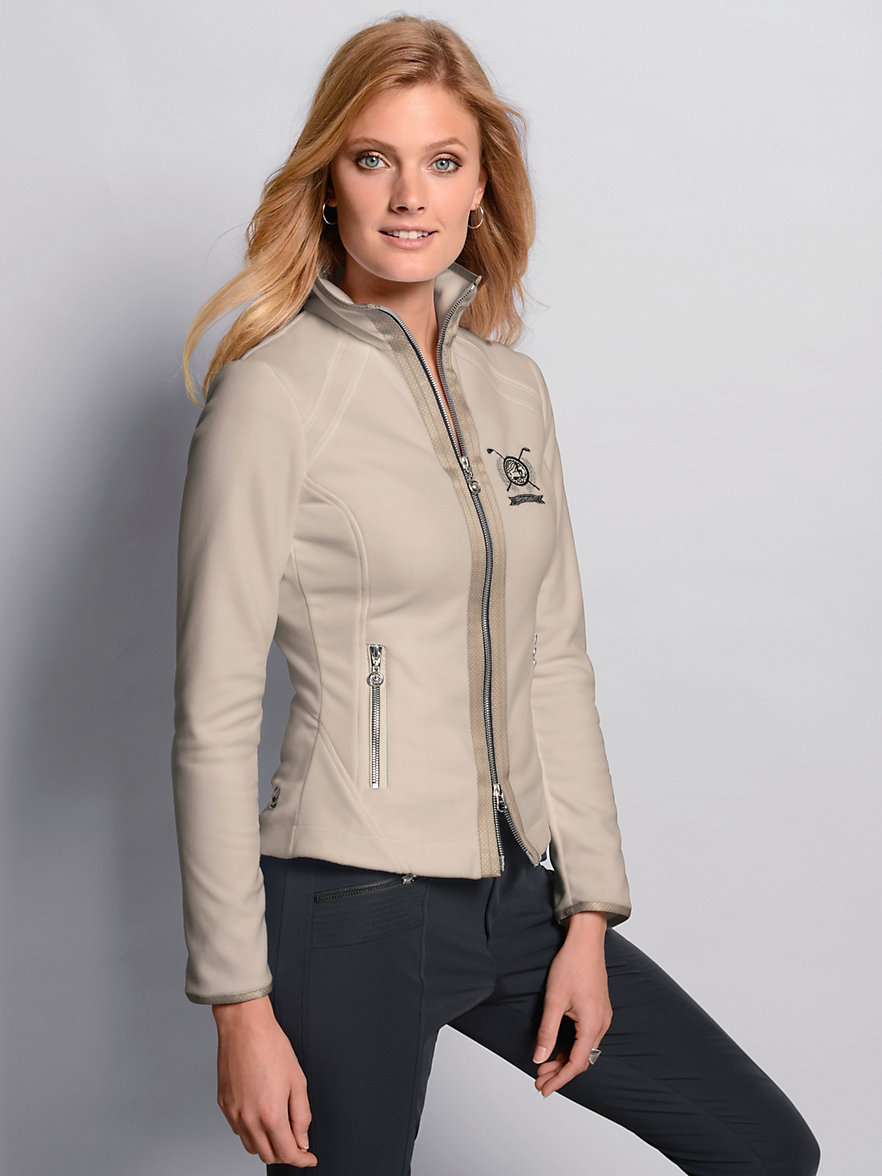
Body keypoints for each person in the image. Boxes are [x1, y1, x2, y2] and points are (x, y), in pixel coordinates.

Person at [171, 14, 820, 1175]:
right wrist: (238, 1004)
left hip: (522, 899)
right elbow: (214, 716)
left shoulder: (513, 391)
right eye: (373, 159)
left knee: (764, 1150)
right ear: (328, 181)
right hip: (348, 909)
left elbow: (553, 655)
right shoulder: (272, 397)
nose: (407, 195)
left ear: (481, 185)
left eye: (442, 160)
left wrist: (587, 916)